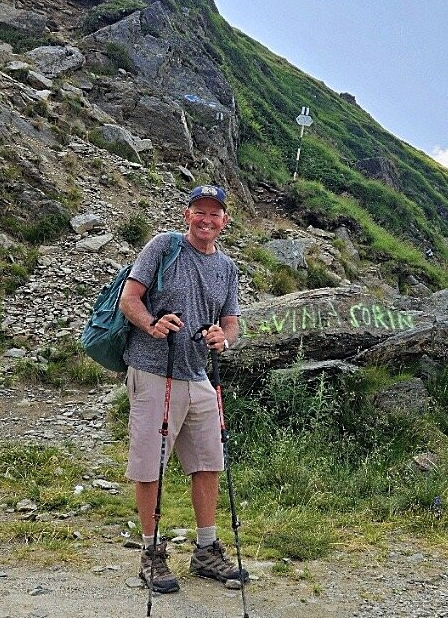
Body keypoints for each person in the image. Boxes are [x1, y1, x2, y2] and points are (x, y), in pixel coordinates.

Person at [118, 184, 247, 594]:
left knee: (208, 462)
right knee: (150, 464)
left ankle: (206, 550)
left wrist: (222, 340)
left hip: (198, 376)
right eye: (200, 212)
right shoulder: (163, 247)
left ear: (225, 221)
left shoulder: (226, 267)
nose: (206, 220)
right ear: (186, 214)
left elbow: (231, 322)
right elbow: (129, 299)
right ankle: (151, 553)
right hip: (155, 369)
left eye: (215, 213)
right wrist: (152, 325)